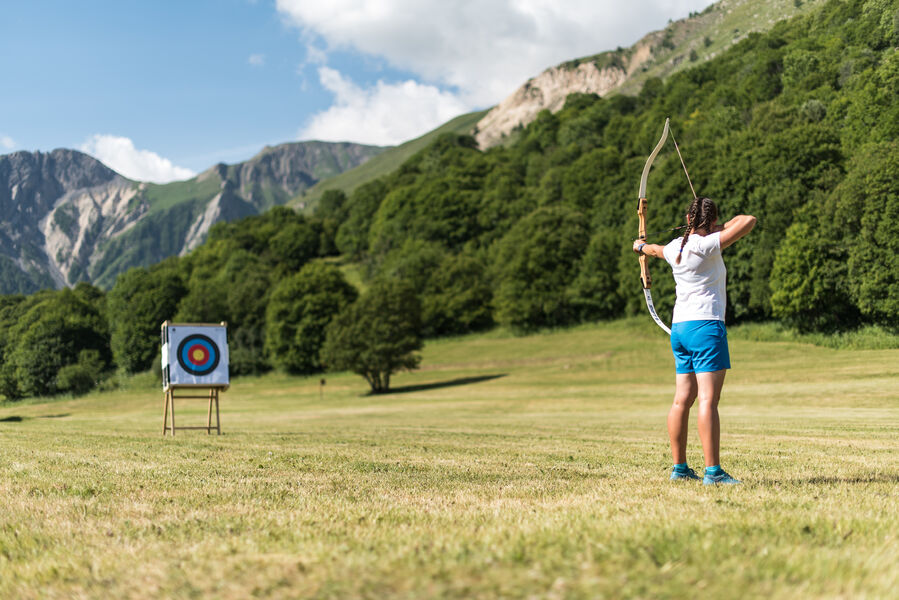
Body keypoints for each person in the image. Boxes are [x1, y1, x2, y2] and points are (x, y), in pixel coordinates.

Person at [632, 197, 756, 485]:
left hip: (680, 329)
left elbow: (652, 248)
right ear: (710, 223)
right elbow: (748, 220)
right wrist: (716, 228)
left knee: (681, 400)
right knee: (708, 400)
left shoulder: (676, 246)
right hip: (706, 326)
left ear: (687, 219)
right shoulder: (707, 244)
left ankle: (680, 468)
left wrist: (639, 246)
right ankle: (713, 472)